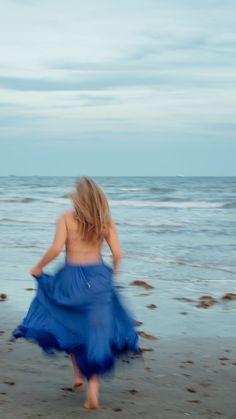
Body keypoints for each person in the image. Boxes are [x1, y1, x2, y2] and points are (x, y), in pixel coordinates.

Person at [13, 176, 140, 410]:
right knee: (94, 332)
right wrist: (111, 275)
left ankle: (77, 376)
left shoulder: (65, 219)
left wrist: (38, 267)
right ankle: (92, 392)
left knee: (69, 322)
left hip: (70, 279)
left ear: (77, 198)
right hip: (98, 277)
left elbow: (55, 248)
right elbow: (119, 255)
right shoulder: (106, 223)